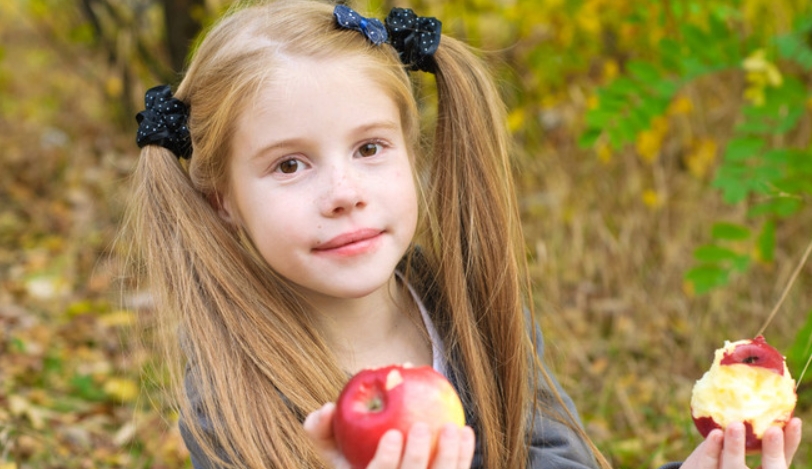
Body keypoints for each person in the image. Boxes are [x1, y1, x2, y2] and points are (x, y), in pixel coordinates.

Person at [122, 0, 803, 468]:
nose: (345, 193)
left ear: (410, 152)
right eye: (290, 164)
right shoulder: (232, 394)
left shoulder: (470, 313)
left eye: (369, 149)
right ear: (225, 201)